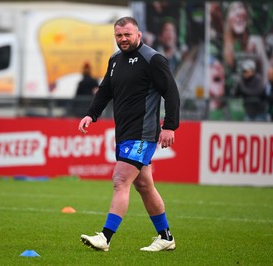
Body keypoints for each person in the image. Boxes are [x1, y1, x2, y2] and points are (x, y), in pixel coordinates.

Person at [78, 17, 180, 252]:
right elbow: (105, 91)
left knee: (120, 180)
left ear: (139, 35)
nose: (123, 39)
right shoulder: (115, 60)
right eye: (119, 35)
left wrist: (169, 126)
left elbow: (171, 93)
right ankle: (165, 236)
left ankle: (105, 237)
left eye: (127, 35)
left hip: (143, 133)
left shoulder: (152, 59)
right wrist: (91, 115)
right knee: (144, 186)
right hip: (124, 132)